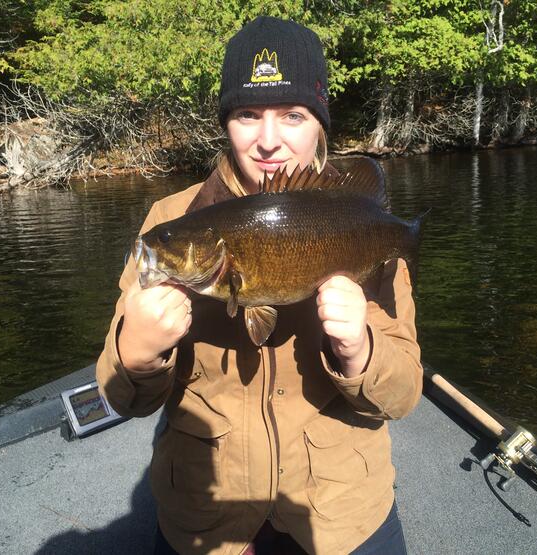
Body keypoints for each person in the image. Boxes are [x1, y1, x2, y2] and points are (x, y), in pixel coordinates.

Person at [96, 16, 423, 555]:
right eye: (248, 114)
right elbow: (122, 397)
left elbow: (404, 393)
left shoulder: (358, 223)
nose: (268, 141)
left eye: (292, 115)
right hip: (210, 519)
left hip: (339, 514)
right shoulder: (170, 221)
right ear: (227, 122)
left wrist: (360, 351)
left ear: (320, 124)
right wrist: (136, 352)